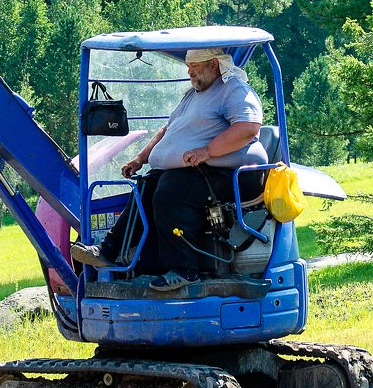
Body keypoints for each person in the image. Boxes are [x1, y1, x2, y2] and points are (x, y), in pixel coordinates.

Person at [70, 48, 268, 291]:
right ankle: (109, 250)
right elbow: (168, 131)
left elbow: (248, 127)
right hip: (199, 169)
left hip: (233, 176)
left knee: (171, 189)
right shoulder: (193, 95)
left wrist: (206, 151)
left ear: (214, 64)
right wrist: (141, 158)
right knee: (147, 185)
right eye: (188, 65)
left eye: (195, 65)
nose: (189, 70)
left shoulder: (233, 89)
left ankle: (185, 270)